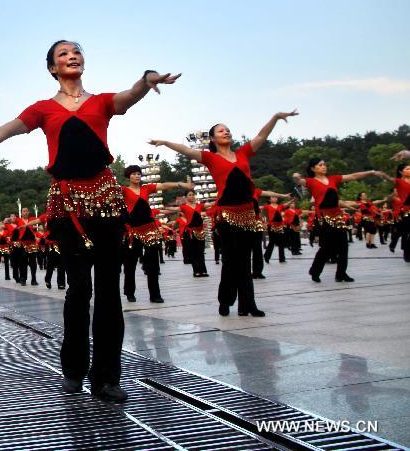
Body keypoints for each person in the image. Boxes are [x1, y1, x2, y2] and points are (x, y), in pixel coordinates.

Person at [0, 40, 180, 403]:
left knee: (109, 292)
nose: (72, 56)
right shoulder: (43, 109)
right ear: (52, 68)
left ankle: (107, 378)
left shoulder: (101, 102)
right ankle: (73, 370)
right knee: (79, 290)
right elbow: (0, 132)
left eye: (76, 51)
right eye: (63, 53)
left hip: (106, 203)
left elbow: (129, 96)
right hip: (67, 207)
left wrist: (147, 79)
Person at [150, 110, 298, 317]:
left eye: (227, 130)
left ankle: (247, 305)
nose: (226, 132)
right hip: (227, 215)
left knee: (244, 261)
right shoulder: (210, 158)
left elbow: (261, 136)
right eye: (221, 131)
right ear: (212, 138)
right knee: (230, 261)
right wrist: (166, 142)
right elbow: (186, 150)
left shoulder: (243, 153)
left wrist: (275, 118)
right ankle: (225, 300)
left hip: (248, 215)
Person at [293, 161, 383, 282]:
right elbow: (299, 181)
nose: (324, 166)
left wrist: (371, 172)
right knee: (326, 247)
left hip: (338, 217)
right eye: (320, 165)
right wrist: (296, 176)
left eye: (324, 164)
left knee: (343, 246)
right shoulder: (311, 181)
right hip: (324, 218)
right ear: (313, 169)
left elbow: (353, 176)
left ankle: (341, 273)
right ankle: (315, 271)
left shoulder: (333, 179)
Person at [121, 165, 191, 303]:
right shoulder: (123, 190)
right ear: (128, 176)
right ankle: (129, 292)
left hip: (150, 229)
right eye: (134, 174)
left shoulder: (146, 188)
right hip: (132, 230)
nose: (137, 176)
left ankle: (155, 295)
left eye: (139, 173)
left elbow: (163, 185)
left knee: (153, 263)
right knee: (130, 263)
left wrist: (180, 184)